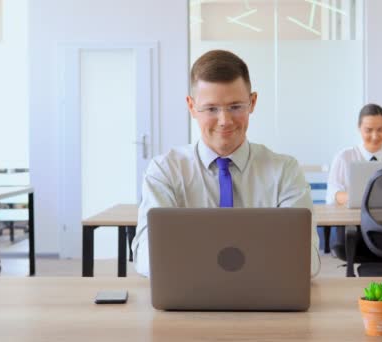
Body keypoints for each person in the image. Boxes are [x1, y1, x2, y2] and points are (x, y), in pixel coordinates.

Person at [131, 50, 320, 277]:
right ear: (192, 107)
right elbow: (147, 259)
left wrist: (190, 256)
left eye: (235, 106)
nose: (225, 121)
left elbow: (306, 262)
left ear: (252, 102)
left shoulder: (284, 172)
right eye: (211, 109)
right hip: (188, 305)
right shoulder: (165, 171)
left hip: (264, 304)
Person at [325, 103, 382, 206]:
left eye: (380, 130)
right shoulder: (343, 158)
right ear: (359, 128)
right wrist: (363, 198)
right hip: (353, 219)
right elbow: (332, 196)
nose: (375, 136)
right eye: (368, 130)